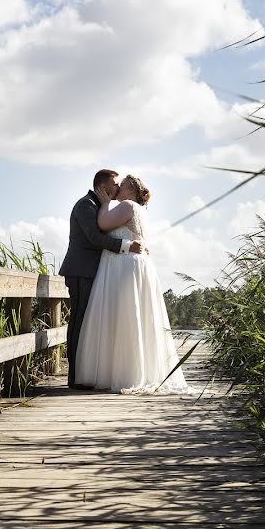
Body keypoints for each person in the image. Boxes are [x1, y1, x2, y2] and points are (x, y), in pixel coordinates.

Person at [75, 175, 193, 394]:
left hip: (124, 265)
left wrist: (105, 204)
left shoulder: (128, 205)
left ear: (130, 190)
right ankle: (132, 370)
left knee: (124, 317)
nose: (118, 187)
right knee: (133, 317)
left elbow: (102, 224)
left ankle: (125, 374)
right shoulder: (141, 210)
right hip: (134, 264)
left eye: (123, 184)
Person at [59, 169, 144, 390]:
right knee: (79, 321)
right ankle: (75, 377)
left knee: (87, 322)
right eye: (115, 184)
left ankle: (86, 374)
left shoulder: (98, 206)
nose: (117, 188)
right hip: (81, 271)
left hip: (92, 271)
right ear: (103, 186)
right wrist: (126, 246)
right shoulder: (86, 205)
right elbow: (95, 238)